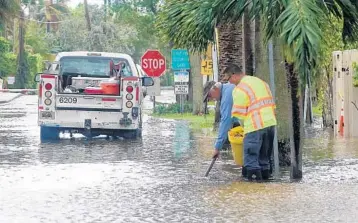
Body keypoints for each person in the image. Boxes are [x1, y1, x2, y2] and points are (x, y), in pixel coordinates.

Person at [222, 64, 277, 181]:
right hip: (270, 124)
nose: (229, 83)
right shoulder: (260, 82)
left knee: (251, 163)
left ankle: (252, 193)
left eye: (228, 79)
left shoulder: (240, 88)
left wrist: (242, 130)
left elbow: (239, 115)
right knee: (264, 161)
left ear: (234, 75)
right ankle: (266, 191)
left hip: (254, 127)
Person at [203, 81, 241, 163]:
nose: (211, 99)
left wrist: (217, 148)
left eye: (209, 95)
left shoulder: (226, 98)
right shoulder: (229, 88)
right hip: (260, 124)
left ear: (215, 88)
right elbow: (233, 118)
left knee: (250, 165)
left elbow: (225, 121)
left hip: (255, 127)